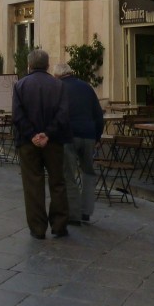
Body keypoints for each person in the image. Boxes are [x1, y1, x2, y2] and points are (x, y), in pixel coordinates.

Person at [12, 49, 70, 239]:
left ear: (29, 65)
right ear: (47, 65)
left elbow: (17, 116)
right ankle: (59, 225)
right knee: (58, 182)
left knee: (33, 184)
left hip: (28, 144)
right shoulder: (58, 85)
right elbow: (63, 114)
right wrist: (47, 134)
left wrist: (32, 135)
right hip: (53, 142)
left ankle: (37, 228)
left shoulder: (20, 86)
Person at [54, 63, 104, 226]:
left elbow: (55, 114)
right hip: (89, 135)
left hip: (69, 136)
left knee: (69, 174)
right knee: (88, 173)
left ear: (57, 75)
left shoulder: (58, 88)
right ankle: (86, 211)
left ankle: (73, 214)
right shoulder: (86, 87)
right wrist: (97, 137)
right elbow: (98, 114)